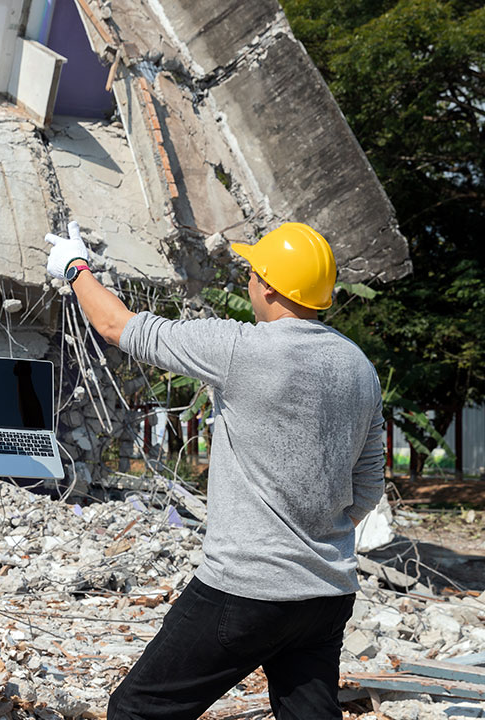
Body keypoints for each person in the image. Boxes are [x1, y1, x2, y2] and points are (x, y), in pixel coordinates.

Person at [43, 221, 385, 719]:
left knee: (138, 709)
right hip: (325, 595)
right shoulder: (359, 368)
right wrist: (311, 535)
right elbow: (368, 486)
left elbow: (119, 326)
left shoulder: (241, 349)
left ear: (267, 284)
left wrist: (76, 269)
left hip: (246, 588)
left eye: (251, 271)